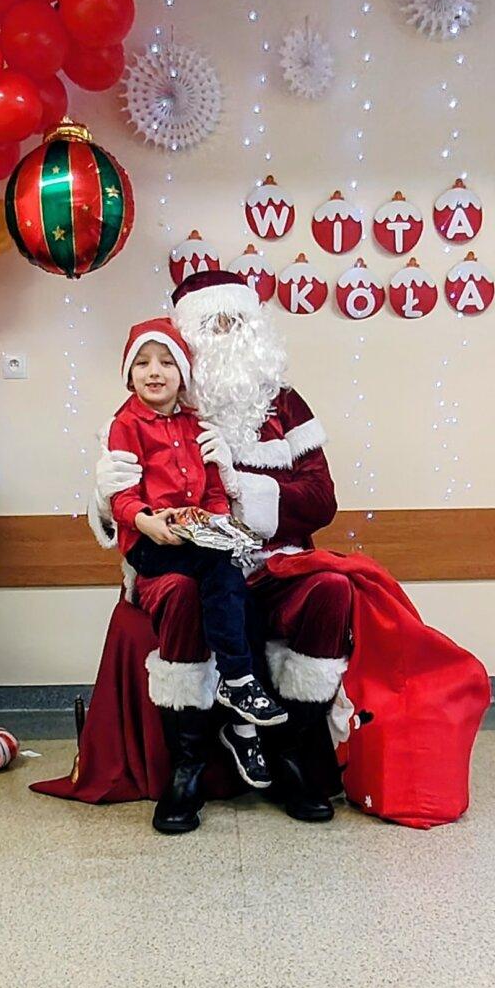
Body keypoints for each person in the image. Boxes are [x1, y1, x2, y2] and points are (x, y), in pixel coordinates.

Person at [92, 272, 353, 833]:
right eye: (211, 325)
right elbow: (122, 495)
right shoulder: (159, 400)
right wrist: (107, 496)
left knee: (331, 589)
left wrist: (240, 489)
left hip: (275, 561)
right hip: (187, 560)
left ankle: (292, 752)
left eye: (236, 323)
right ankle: (187, 767)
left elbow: (322, 499)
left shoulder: (285, 405)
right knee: (189, 591)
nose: (226, 335)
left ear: (256, 331)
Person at [108, 317, 287, 797]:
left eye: (167, 363)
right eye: (143, 363)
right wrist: (146, 520)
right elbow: (120, 496)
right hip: (152, 542)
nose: (155, 372)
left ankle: (239, 693)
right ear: (129, 374)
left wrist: (218, 524)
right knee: (216, 571)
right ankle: (237, 682)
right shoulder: (125, 425)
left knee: (229, 572)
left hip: (195, 539)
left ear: (183, 374)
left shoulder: (197, 426)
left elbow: (212, 493)